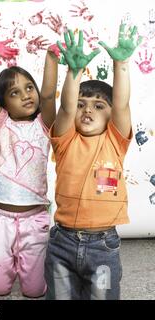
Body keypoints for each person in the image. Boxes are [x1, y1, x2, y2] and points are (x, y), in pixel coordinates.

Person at [44, 24, 141, 300]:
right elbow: (65, 107)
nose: (87, 110)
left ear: (111, 117)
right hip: (62, 242)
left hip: (103, 245)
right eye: (82, 104)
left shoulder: (115, 140)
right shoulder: (64, 140)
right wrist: (73, 73)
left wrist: (120, 64)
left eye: (99, 106)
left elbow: (121, 105)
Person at [0, 39, 59, 297]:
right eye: (15, 92)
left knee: (35, 292)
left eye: (29, 88)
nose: (26, 95)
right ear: (3, 103)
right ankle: (5, 267)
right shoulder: (0, 123)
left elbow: (47, 94)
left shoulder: (45, 124)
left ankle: (29, 270)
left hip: (34, 219)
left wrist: (51, 57)